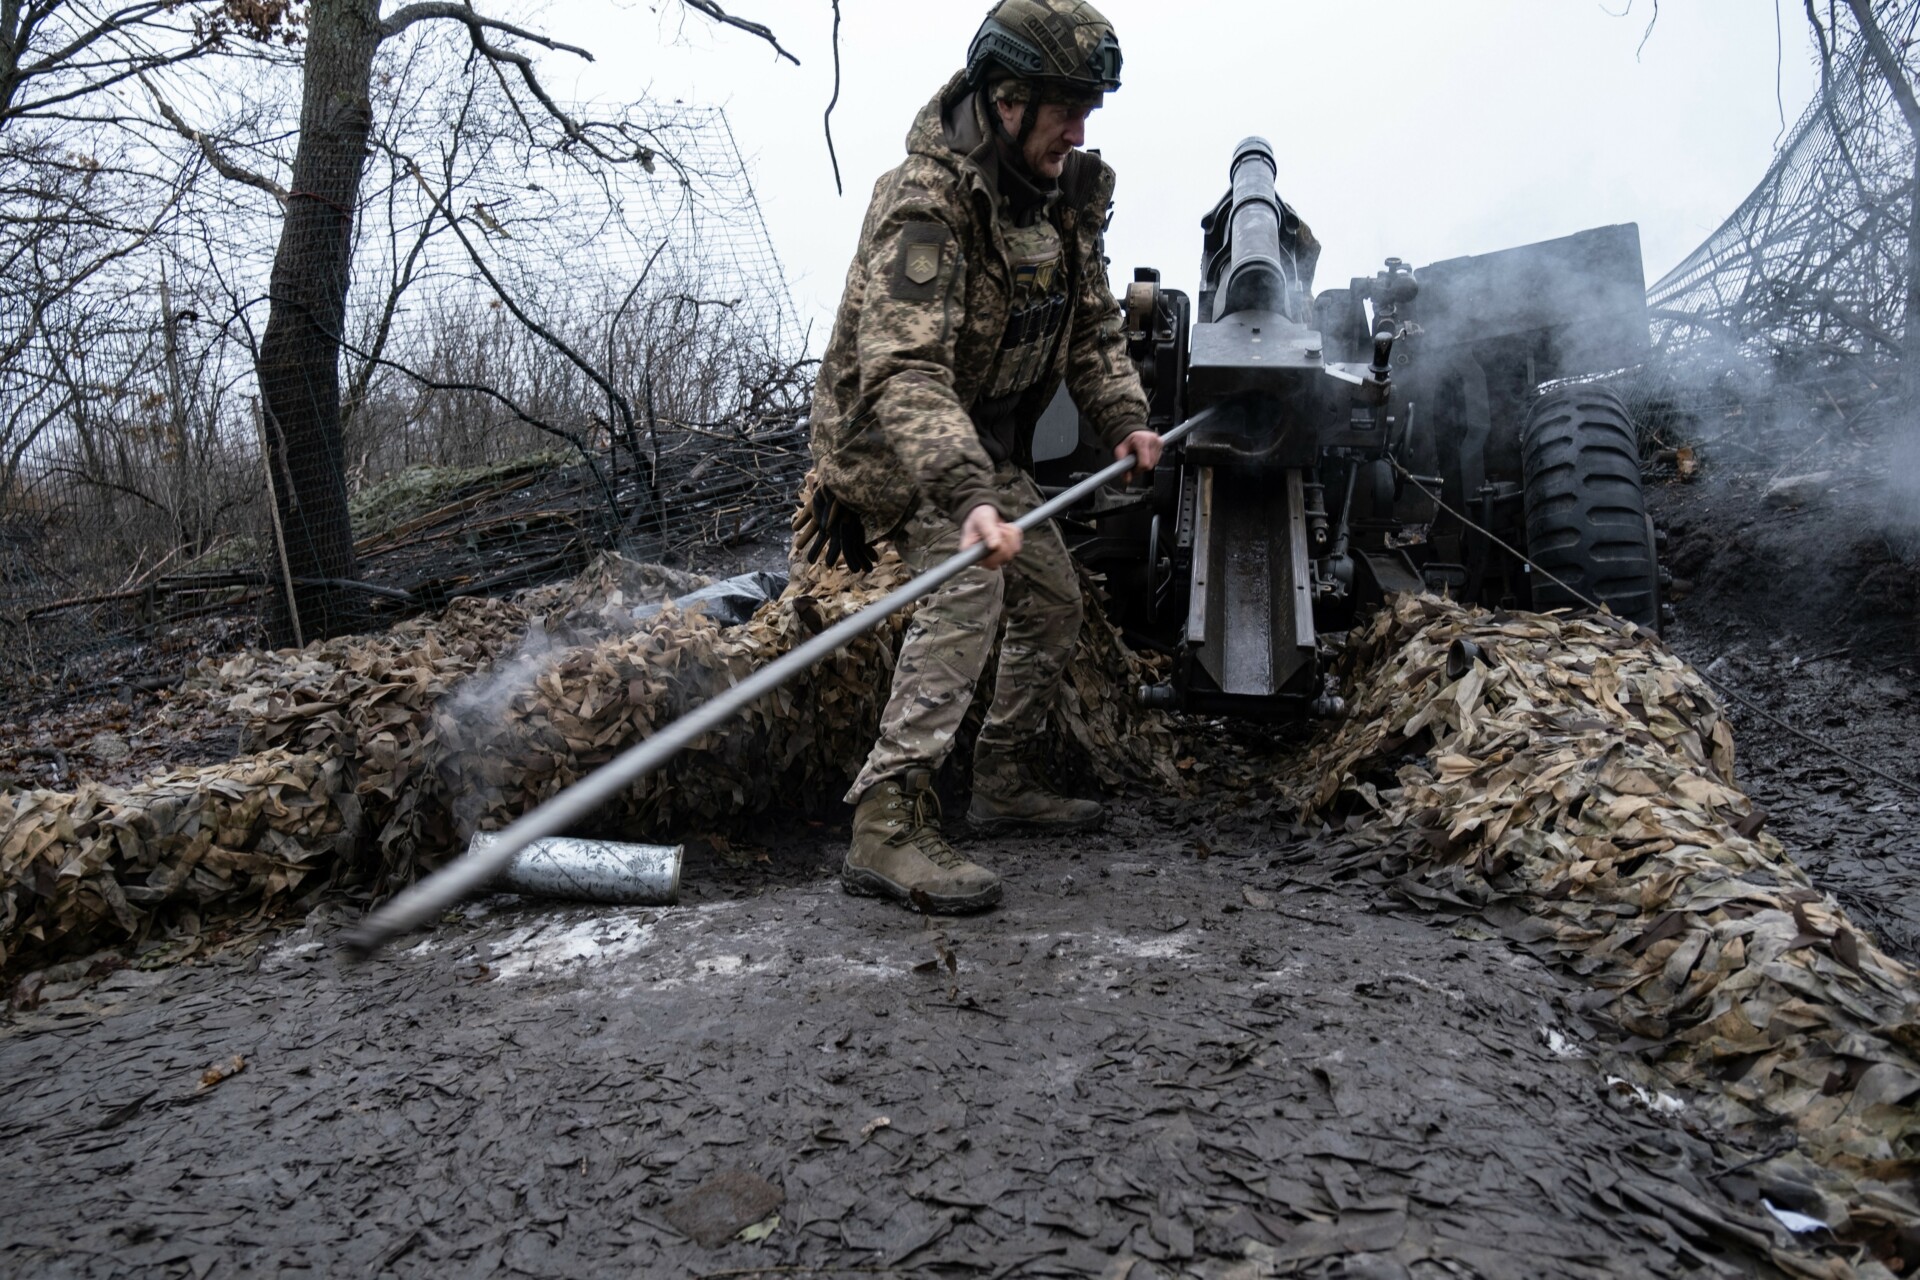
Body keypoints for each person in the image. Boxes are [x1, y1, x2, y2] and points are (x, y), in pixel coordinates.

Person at [794, 0, 1160, 914]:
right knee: (968, 583)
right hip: (901, 448)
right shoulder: (926, 203)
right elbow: (905, 370)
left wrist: (1124, 415)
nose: (1081, 131)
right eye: (1066, 109)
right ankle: (885, 823)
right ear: (1005, 101)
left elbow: (1092, 326)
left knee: (1052, 597)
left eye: (1090, 111)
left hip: (984, 448)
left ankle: (1000, 778)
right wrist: (966, 495)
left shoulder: (1067, 194)